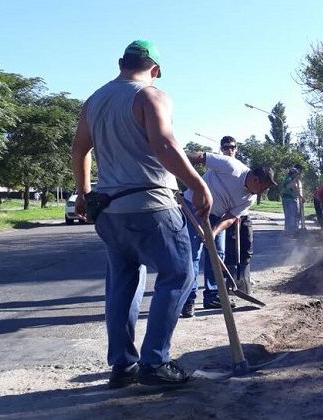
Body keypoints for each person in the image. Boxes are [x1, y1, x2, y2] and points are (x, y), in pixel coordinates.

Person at [71, 40, 212, 388]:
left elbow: (79, 149)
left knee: (122, 284)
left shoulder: (94, 101)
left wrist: (84, 193)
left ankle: (123, 366)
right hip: (152, 206)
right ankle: (155, 362)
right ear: (155, 69)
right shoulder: (151, 96)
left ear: (121, 62)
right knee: (178, 275)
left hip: (110, 211)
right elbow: (164, 144)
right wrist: (198, 184)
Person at [181, 151, 276, 315]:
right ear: (255, 179)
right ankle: (188, 300)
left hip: (216, 216)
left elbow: (231, 216)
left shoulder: (250, 198)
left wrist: (214, 231)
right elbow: (200, 157)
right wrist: (174, 162)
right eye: (263, 187)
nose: (262, 192)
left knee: (218, 253)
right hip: (193, 207)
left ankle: (212, 296)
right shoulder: (232, 167)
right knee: (193, 254)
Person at [219, 136, 255, 295]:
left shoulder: (241, 168)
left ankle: (244, 282)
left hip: (243, 214)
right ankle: (230, 281)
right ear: (221, 149)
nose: (229, 150)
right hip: (226, 216)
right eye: (226, 147)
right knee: (230, 252)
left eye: (232, 147)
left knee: (246, 248)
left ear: (236, 149)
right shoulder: (218, 168)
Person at [280, 167, 300, 234]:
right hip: (288, 199)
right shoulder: (288, 179)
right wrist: (294, 180)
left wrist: (300, 197)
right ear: (293, 174)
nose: (297, 175)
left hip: (290, 199)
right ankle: (289, 231)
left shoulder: (290, 179)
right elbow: (289, 186)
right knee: (290, 215)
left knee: (292, 215)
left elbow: (295, 189)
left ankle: (291, 230)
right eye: (296, 174)